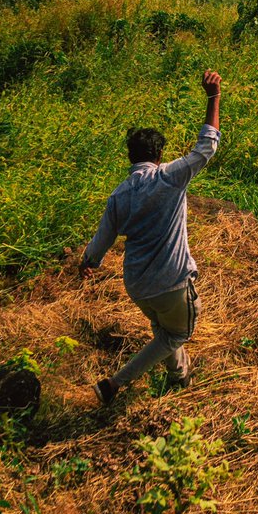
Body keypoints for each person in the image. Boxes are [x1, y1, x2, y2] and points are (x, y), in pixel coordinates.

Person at [80, 69, 222, 405]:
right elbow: (207, 146)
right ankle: (114, 384)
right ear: (159, 156)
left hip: (137, 286)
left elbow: (103, 238)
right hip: (170, 283)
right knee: (179, 332)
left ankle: (179, 377)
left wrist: (89, 262)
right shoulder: (169, 178)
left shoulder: (119, 195)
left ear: (131, 157)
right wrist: (213, 97)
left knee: (164, 332)